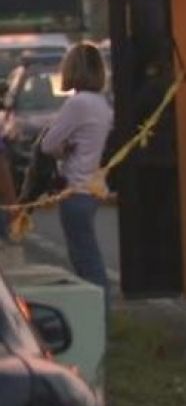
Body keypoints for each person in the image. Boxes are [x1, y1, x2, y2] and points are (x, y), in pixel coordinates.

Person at [40, 42, 113, 295]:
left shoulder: (77, 104)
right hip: (92, 187)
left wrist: (64, 149)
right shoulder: (102, 104)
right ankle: (100, 309)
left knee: (85, 259)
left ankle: (98, 311)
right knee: (88, 254)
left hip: (75, 188)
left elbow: (48, 144)